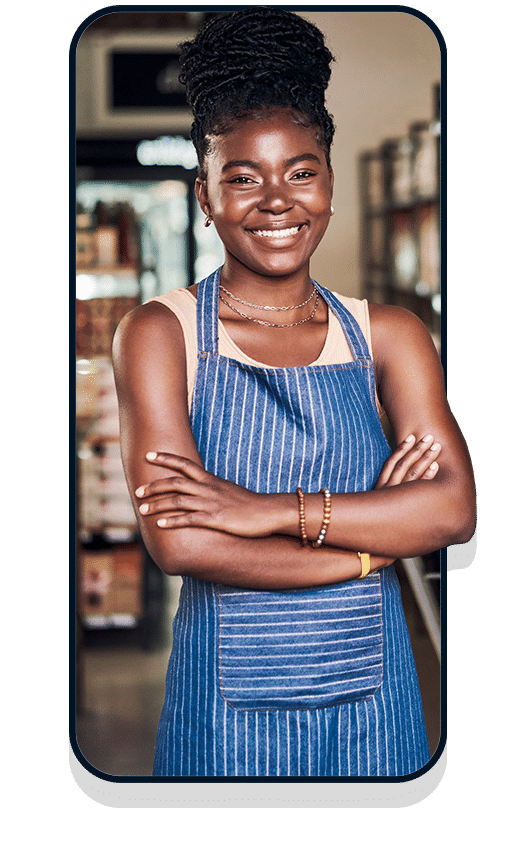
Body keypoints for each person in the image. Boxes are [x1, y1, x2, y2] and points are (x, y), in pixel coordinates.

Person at [113, 8, 475, 777]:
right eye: (241, 177)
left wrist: (262, 512)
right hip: (226, 714)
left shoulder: (390, 335)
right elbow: (182, 542)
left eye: (300, 171)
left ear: (330, 185)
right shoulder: (160, 333)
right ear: (204, 195)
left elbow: (449, 510)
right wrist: (368, 550)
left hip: (375, 706)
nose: (275, 200)